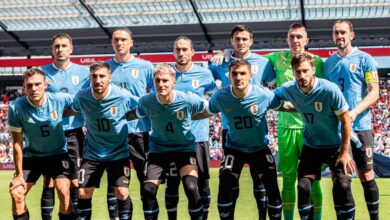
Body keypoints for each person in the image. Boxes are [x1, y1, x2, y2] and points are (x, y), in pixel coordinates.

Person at [196, 59, 283, 219]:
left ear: (250, 75)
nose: (238, 77)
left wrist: (306, 107)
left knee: (272, 185)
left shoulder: (264, 94)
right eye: (234, 73)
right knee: (225, 183)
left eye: (243, 73)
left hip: (259, 149)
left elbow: (283, 106)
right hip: (234, 149)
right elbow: (208, 112)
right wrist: (186, 117)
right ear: (229, 76)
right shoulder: (221, 96)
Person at [274, 54, 355, 219]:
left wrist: (345, 152)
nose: (302, 75)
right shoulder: (289, 89)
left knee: (343, 185)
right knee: (303, 187)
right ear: (293, 72)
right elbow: (270, 99)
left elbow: (346, 121)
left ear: (313, 70)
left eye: (305, 71)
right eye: (298, 72)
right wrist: (290, 107)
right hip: (312, 146)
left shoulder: (329, 89)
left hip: (336, 145)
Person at [208, 24, 275, 219]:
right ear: (231, 41)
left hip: (257, 129)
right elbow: (207, 82)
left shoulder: (264, 63)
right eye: (237, 39)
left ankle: (263, 216)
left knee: (260, 180)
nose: (241, 42)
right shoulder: (219, 62)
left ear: (251, 41)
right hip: (231, 131)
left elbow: (274, 82)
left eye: (245, 39)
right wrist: (223, 54)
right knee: (230, 180)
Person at [127, 63, 206, 220]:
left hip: (184, 149)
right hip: (159, 150)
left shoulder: (188, 99)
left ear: (173, 81)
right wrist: (114, 117)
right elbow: (135, 114)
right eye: (157, 80)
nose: (161, 84)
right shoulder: (146, 101)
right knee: (148, 189)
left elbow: (210, 108)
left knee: (191, 187)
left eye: (165, 80)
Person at [264, 24, 324, 219]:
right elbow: (250, 62)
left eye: (300, 37)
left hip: (311, 129)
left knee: (314, 180)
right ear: (287, 39)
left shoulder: (318, 62)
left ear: (306, 40)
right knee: (288, 179)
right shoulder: (276, 58)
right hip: (286, 127)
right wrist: (228, 53)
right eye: (292, 37)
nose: (296, 40)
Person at [324, 19, 380, 220]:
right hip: (337, 130)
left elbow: (374, 93)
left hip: (361, 126)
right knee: (339, 180)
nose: (339, 36)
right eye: (336, 33)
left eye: (343, 32)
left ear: (351, 35)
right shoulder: (328, 64)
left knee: (366, 176)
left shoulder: (366, 59)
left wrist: (354, 112)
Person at [70, 61, 138, 220]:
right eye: (94, 76)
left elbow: (143, 106)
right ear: (90, 78)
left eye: (102, 76)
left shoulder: (123, 95)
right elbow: (71, 110)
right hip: (92, 154)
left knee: (122, 192)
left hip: (119, 153)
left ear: (110, 78)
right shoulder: (82, 96)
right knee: (83, 192)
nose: (98, 80)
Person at [8, 68, 75, 220]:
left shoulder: (59, 99)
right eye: (29, 85)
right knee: (16, 193)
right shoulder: (15, 108)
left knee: (64, 191)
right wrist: (18, 175)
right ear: (24, 88)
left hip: (58, 154)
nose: (34, 89)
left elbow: (82, 103)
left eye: (37, 84)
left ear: (45, 85)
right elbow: (17, 142)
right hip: (32, 156)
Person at [163, 36, 216, 220]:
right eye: (178, 49)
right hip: (172, 140)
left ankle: (204, 216)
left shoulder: (205, 75)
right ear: (173, 52)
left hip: (198, 138)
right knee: (172, 184)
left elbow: (213, 103)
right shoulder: (166, 76)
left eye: (185, 49)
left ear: (192, 52)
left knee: (202, 183)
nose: (181, 53)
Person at [106, 27, 154, 220]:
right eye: (116, 39)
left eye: (123, 39)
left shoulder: (146, 67)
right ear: (112, 43)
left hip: (140, 134)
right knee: (117, 187)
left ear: (131, 42)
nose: (119, 43)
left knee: (148, 185)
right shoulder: (104, 69)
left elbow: (159, 93)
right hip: (114, 136)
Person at [40, 32, 90, 219]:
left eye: (63, 46)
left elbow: (89, 100)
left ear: (71, 48)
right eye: (57, 46)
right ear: (52, 49)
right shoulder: (42, 72)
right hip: (51, 133)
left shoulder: (84, 73)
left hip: (74, 133)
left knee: (76, 181)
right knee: (50, 181)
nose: (60, 49)